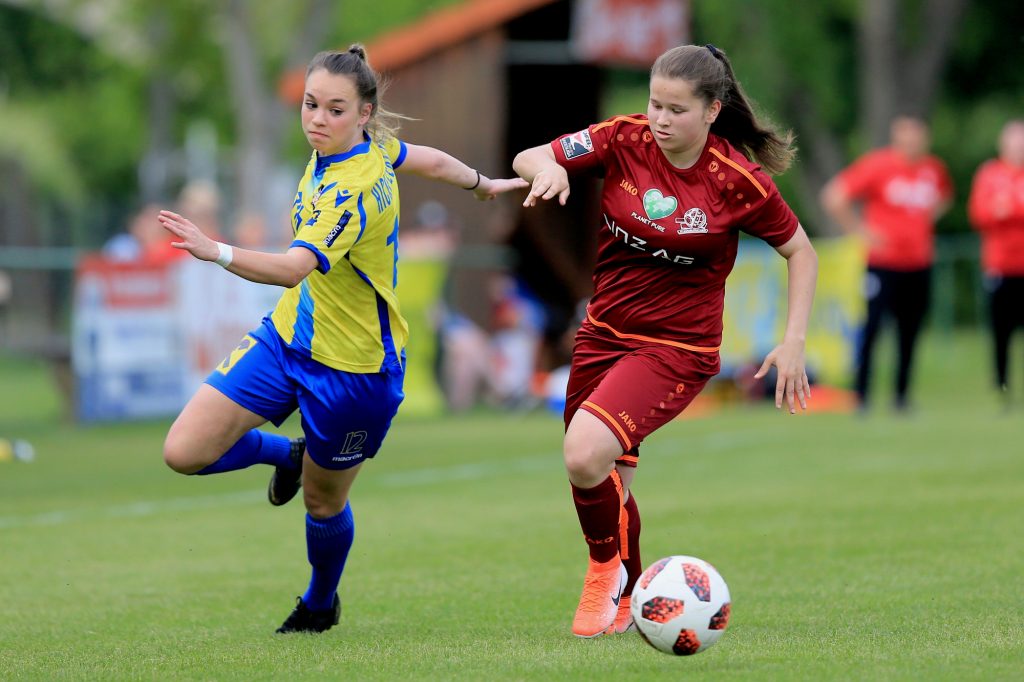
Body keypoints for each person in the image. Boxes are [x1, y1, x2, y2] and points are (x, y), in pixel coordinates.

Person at [157, 45, 527, 634]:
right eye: (310, 105)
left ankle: (320, 602)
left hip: (354, 371)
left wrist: (215, 250)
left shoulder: (351, 188)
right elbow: (425, 158)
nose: (316, 120)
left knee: (322, 502)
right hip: (288, 338)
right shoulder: (363, 147)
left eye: (334, 110)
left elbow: (292, 267)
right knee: (183, 452)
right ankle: (289, 452)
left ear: (363, 113)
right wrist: (479, 183)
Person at [512, 43, 817, 638]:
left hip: (676, 350)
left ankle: (603, 574)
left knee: (582, 454)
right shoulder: (623, 139)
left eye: (677, 109)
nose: (660, 118)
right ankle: (628, 601)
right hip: (602, 334)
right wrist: (546, 168)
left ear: (712, 111)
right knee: (605, 477)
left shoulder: (737, 181)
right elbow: (531, 156)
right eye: (655, 103)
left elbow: (800, 250)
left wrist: (794, 340)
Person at [820, 115, 953, 413]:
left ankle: (901, 397)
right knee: (873, 329)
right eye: (906, 137)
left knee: (910, 332)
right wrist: (859, 231)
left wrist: (922, 224)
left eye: (917, 137)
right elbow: (834, 196)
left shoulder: (932, 169)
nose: (912, 143)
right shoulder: (879, 165)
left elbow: (944, 197)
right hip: (883, 263)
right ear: (896, 138)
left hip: (919, 263)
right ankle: (862, 396)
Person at [967, 119, 1024, 406]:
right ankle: (1002, 387)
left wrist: (1008, 208)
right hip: (1001, 266)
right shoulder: (990, 174)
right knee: (1002, 331)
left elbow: (1006, 210)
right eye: (1015, 142)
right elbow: (980, 214)